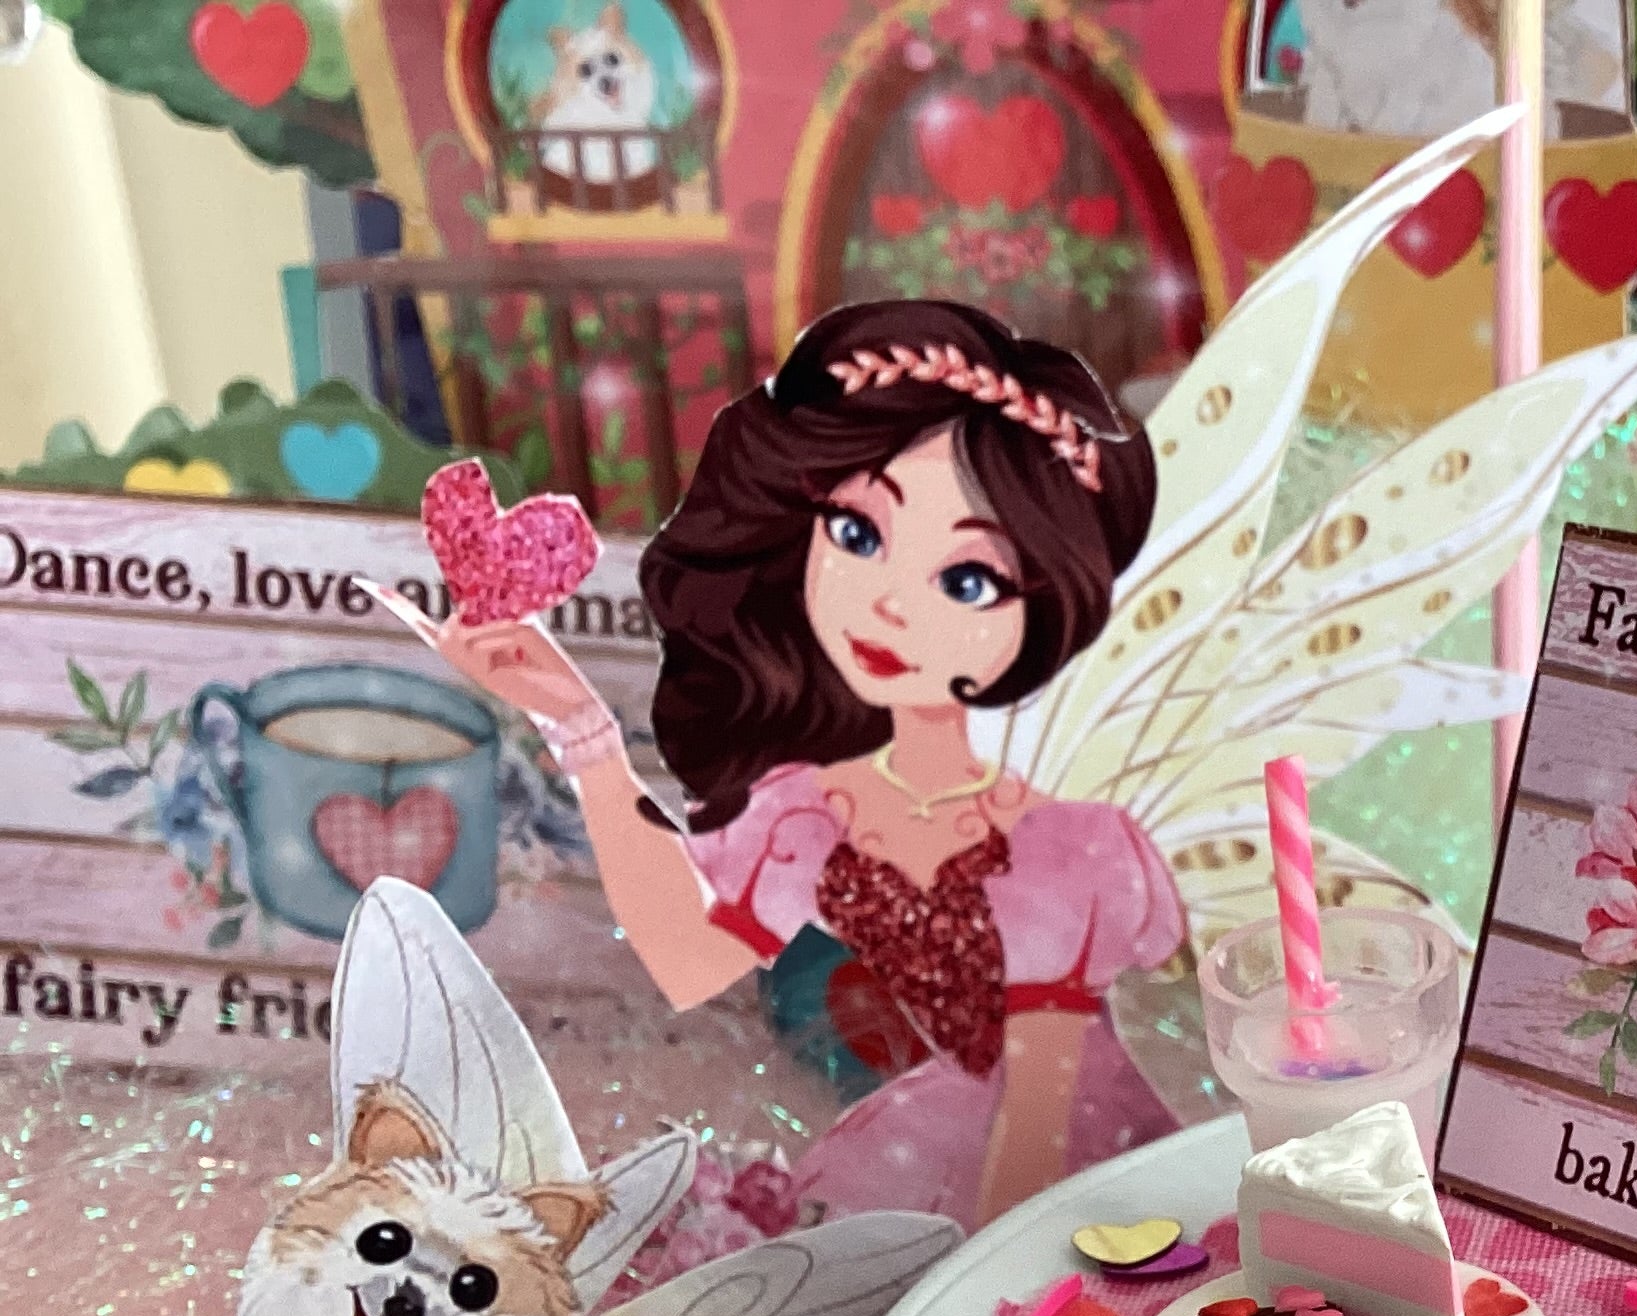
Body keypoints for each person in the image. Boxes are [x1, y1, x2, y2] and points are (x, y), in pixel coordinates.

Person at [407, 298, 1186, 1228]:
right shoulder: (807, 812)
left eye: (967, 581)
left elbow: (1041, 1104)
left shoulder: (1069, 846)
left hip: (1086, 1173)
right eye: (858, 533)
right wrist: (581, 729)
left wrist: (990, 1283)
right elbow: (689, 958)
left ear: (1045, 614)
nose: (889, 605)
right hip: (928, 1148)